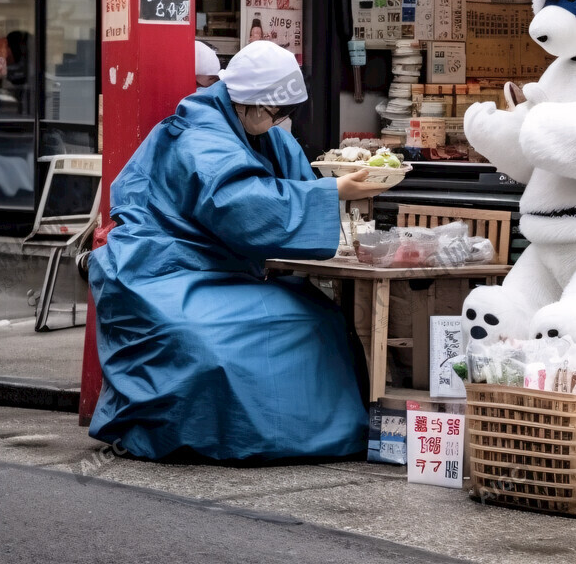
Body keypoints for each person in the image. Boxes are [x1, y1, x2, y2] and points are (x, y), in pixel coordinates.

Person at [88, 41, 380, 461]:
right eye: (279, 113)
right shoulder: (199, 135)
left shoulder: (265, 135)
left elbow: (285, 189)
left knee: (320, 317)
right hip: (164, 267)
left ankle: (314, 436)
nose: (284, 122)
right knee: (208, 342)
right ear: (251, 105)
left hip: (222, 269)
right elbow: (242, 205)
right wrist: (333, 190)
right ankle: (241, 435)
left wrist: (326, 191)